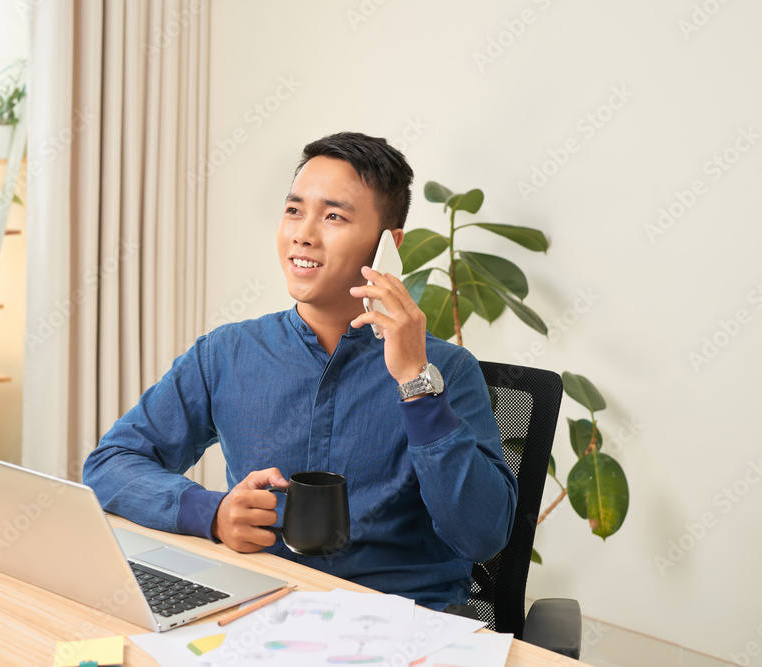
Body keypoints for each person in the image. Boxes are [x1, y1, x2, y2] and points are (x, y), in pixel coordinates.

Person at [83, 131, 517, 610]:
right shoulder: (227, 353)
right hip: (260, 612)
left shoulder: (447, 371)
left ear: (387, 245)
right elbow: (109, 465)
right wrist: (213, 512)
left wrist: (415, 382)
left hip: (401, 627)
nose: (303, 233)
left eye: (334, 216)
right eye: (294, 210)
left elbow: (482, 536)